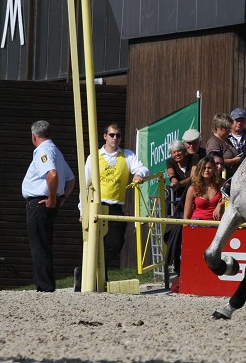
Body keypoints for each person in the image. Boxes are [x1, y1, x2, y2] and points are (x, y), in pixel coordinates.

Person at [80, 123, 150, 269]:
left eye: (118, 135)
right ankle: (91, 277)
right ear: (105, 136)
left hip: (116, 207)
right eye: (112, 135)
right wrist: (82, 210)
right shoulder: (94, 156)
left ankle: (88, 271)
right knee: (94, 244)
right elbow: (85, 185)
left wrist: (138, 174)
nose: (115, 138)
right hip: (96, 206)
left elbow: (143, 168)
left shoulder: (127, 155)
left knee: (115, 243)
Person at [22, 120, 75, 292]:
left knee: (39, 247)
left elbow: (52, 175)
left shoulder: (43, 151)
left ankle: (44, 287)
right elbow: (70, 179)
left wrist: (52, 199)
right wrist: (62, 198)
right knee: (44, 244)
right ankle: (45, 284)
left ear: (34, 136)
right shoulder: (56, 151)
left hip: (39, 203)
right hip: (48, 203)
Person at [184, 156, 225, 221]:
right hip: (197, 224)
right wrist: (185, 229)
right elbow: (186, 215)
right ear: (199, 169)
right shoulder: (192, 188)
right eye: (204, 168)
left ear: (214, 169)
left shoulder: (221, 184)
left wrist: (221, 204)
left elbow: (232, 199)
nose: (206, 170)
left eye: (209, 168)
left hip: (216, 225)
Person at [165, 140, 194, 218]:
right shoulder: (170, 161)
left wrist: (180, 183)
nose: (177, 154)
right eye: (173, 152)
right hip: (179, 195)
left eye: (179, 151)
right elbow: (171, 174)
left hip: (193, 191)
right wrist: (173, 180)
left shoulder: (194, 158)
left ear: (184, 150)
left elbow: (194, 177)